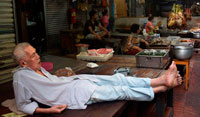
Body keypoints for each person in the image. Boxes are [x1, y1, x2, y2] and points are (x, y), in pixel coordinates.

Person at [12, 42, 182, 115]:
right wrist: (48, 110)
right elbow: (22, 104)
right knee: (121, 91)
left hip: (78, 82)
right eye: (33, 55)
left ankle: (160, 80)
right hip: (76, 94)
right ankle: (161, 87)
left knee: (119, 78)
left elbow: (48, 85)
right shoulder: (20, 78)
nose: (37, 56)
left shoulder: (38, 69)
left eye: (36, 52)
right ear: (23, 62)